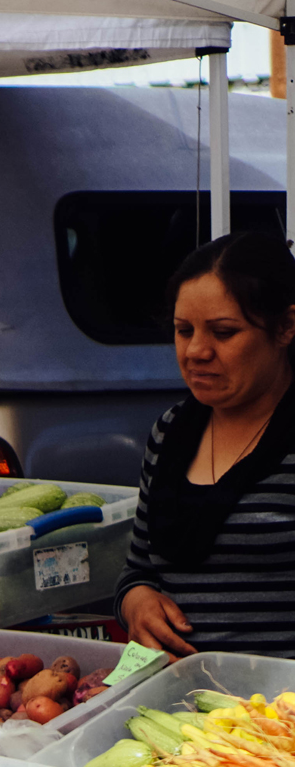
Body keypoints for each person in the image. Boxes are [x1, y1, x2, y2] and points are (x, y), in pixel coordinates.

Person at [118, 232, 295, 659]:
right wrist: (137, 602)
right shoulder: (170, 432)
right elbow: (138, 569)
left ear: (286, 327)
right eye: (183, 331)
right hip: (178, 705)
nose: (196, 350)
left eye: (223, 332)